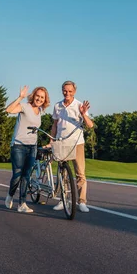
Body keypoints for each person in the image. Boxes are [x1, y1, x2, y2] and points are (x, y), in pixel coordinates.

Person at [4, 85, 50, 213]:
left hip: (32, 147)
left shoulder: (40, 111)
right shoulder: (25, 106)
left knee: (26, 176)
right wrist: (20, 97)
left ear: (44, 100)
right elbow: (8, 110)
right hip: (18, 145)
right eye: (38, 96)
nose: (39, 99)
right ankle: (10, 194)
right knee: (17, 175)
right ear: (33, 95)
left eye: (42, 97)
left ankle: (22, 204)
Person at [51, 80, 93, 213]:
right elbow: (55, 125)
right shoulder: (58, 106)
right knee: (62, 173)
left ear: (74, 92)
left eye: (70, 91)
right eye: (65, 90)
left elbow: (90, 125)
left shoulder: (79, 105)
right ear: (62, 90)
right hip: (61, 142)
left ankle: (82, 202)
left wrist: (83, 114)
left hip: (77, 142)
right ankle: (63, 200)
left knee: (80, 173)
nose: (67, 93)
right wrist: (52, 140)